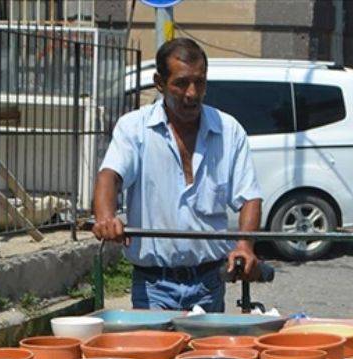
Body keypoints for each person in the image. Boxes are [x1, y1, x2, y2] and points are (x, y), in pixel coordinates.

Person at [92, 38, 262, 312]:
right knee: (155, 354)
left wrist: (245, 246)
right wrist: (105, 217)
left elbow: (250, 197)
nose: (192, 93)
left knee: (204, 355)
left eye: (200, 82)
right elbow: (110, 176)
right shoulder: (134, 128)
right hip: (153, 286)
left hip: (209, 282)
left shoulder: (229, 131)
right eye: (182, 83)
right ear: (159, 83)